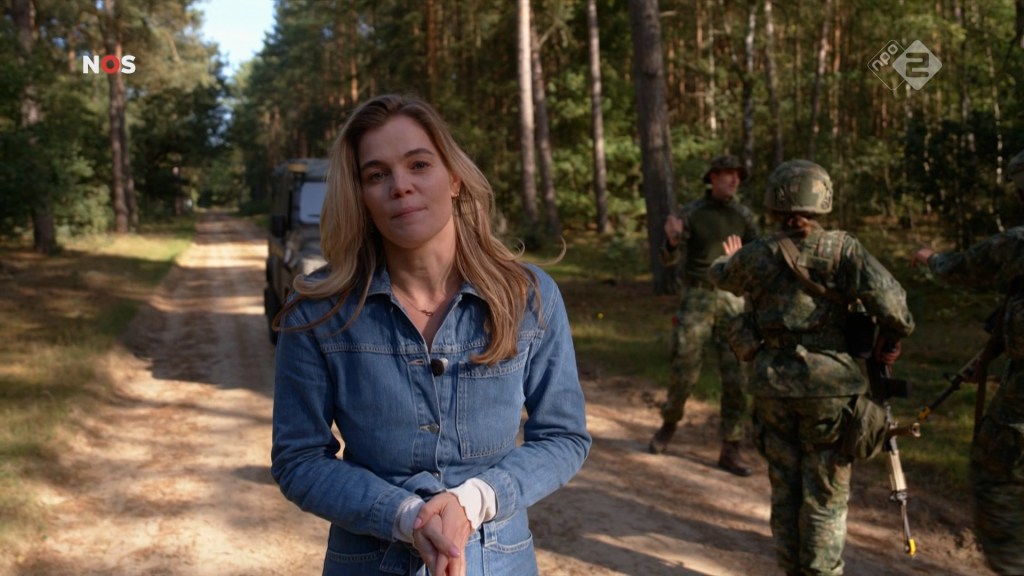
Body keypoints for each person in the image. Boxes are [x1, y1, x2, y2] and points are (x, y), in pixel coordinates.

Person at [270, 94, 592, 576]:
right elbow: (298, 460)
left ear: (454, 178)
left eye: (418, 164)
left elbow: (564, 437)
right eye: (376, 175)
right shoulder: (317, 311)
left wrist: (472, 502)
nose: (400, 186)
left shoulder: (528, 297)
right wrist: (404, 517)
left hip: (499, 563)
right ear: (360, 197)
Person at [708, 159, 914, 575]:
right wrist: (889, 340)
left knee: (784, 494)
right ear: (822, 197)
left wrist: (726, 262)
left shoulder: (757, 254)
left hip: (772, 389)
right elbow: (895, 307)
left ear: (774, 201)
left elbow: (722, 275)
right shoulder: (844, 250)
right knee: (824, 499)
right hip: (830, 393)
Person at [910, 150, 1024, 576]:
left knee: (994, 471)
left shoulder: (1017, 244)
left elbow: (960, 268)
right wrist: (992, 354)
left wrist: (929, 258)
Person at [649, 154, 760, 477]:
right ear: (712, 178)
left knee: (736, 376)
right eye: (728, 174)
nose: (734, 180)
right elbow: (668, 260)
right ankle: (669, 424)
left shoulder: (744, 216)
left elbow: (760, 262)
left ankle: (731, 447)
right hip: (697, 299)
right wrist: (671, 241)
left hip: (732, 301)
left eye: (738, 175)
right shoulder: (691, 213)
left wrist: (740, 261)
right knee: (683, 369)